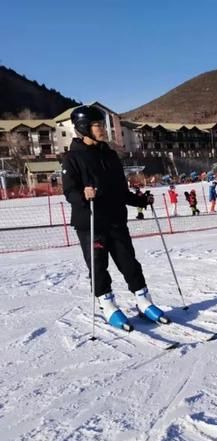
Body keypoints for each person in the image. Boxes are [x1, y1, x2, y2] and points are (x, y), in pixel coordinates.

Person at [61, 105, 162, 330]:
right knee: (98, 266)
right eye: (97, 125)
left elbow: (120, 191)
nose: (102, 129)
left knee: (129, 262)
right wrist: (83, 195)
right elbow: (69, 192)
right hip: (91, 221)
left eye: (102, 124)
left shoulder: (110, 155)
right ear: (83, 127)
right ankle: (107, 304)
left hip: (116, 219)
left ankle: (143, 301)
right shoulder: (72, 158)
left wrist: (141, 201)